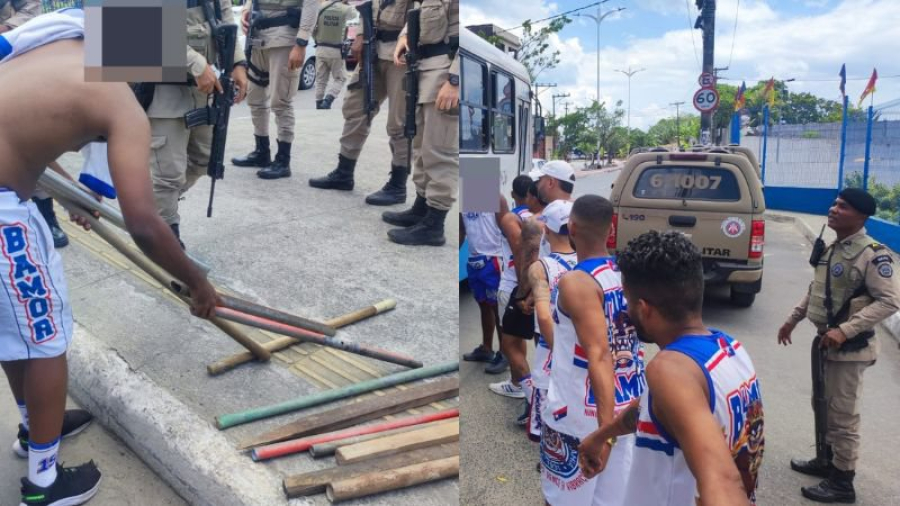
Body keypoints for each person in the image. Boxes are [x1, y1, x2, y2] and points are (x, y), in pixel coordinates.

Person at [0, 13, 219, 506]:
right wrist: (196, 283)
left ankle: (37, 428)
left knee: (17, 330)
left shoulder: (49, 49)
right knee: (44, 342)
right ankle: (43, 484)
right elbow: (143, 222)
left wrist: (75, 192)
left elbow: (23, 137)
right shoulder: (119, 100)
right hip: (1, 214)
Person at [578, 230, 763, 506]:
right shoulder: (728, 348)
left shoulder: (669, 370)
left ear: (644, 309)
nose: (626, 311)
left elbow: (723, 482)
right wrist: (602, 435)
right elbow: (650, 408)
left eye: (628, 302)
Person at [778, 188, 899, 503]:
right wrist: (793, 319)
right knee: (823, 405)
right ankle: (827, 461)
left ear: (861, 216)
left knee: (842, 415)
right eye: (834, 204)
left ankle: (843, 483)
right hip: (827, 344)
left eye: (842, 206)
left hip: (850, 349)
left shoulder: (873, 254)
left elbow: (890, 301)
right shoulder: (835, 248)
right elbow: (817, 288)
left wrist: (845, 330)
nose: (833, 209)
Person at [540, 195, 644, 506]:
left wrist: (604, 435)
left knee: (561, 500)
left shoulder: (577, 282)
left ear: (571, 227)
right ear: (611, 228)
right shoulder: (625, 275)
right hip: (625, 408)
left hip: (581, 417)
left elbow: (598, 355)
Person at [142, 0, 248, 246]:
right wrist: (195, 63)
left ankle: (150, 208)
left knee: (204, 160)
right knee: (168, 175)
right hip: (160, 90)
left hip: (202, 90)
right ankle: (167, 239)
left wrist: (237, 64)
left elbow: (224, 17)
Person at [308, 0, 416, 207]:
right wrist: (359, 34)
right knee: (355, 108)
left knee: (399, 122)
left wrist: (454, 78)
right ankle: (344, 172)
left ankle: (398, 185)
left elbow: (424, 13)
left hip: (402, 52)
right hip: (372, 46)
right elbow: (368, 7)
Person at [381, 0, 458, 245]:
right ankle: (421, 208)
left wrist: (456, 79)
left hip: (444, 74)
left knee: (439, 151)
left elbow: (464, 36)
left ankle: (434, 224)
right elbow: (420, 20)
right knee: (421, 148)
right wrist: (404, 37)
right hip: (422, 71)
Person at [0, 0, 69, 248]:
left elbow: (31, 5)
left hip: (9, 56)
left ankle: (46, 213)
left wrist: (8, 27)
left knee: (27, 145)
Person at [232, 0, 316, 180]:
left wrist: (301, 43)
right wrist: (246, 10)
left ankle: (283, 161)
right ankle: (261, 151)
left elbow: (311, 4)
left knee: (281, 101)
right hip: (258, 36)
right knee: (255, 98)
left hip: (285, 38)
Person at [525, 199, 576, 442]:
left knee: (547, 410)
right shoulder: (585, 261)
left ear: (547, 229)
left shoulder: (542, 266)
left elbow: (544, 316)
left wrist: (560, 352)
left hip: (551, 349)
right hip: (579, 348)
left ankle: (551, 458)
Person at [489, 176, 543, 405]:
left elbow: (519, 251)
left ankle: (529, 395)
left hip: (515, 284)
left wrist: (523, 291)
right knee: (542, 342)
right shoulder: (546, 217)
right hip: (539, 284)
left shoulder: (512, 218)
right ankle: (520, 384)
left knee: (511, 342)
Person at [460, 208, 506, 374]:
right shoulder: (466, 196)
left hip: (493, 260)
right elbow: (461, 229)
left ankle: (504, 353)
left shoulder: (494, 196)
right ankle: (487, 349)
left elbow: (507, 229)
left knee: (498, 309)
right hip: (474, 260)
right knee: (484, 305)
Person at [312, 0, 353, 110]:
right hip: (336, 50)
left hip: (320, 48)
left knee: (320, 79)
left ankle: (318, 103)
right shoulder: (346, 9)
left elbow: (312, 27)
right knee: (341, 78)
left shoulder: (320, 7)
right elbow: (356, 18)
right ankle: (328, 100)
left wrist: (316, 39)